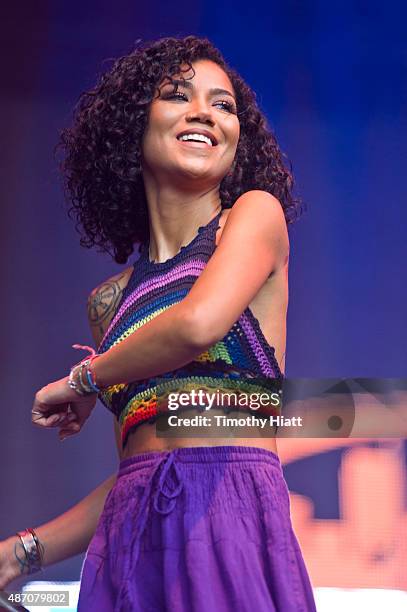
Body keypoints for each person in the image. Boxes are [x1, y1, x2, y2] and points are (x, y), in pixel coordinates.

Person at [0, 36, 317, 611]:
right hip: (132, 545)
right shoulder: (109, 305)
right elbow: (145, 467)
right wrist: (22, 551)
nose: (204, 113)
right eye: (178, 95)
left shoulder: (252, 218)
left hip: (230, 523)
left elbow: (198, 324)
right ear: (131, 130)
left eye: (224, 105)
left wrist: (84, 381)